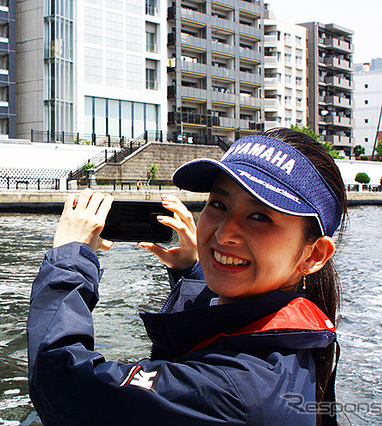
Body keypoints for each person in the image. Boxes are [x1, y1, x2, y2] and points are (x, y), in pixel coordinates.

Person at [27, 128, 347, 425]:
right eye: (219, 204)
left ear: (314, 254)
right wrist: (191, 269)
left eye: (260, 216)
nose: (224, 233)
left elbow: (62, 383)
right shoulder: (293, 346)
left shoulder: (239, 390)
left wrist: (70, 257)